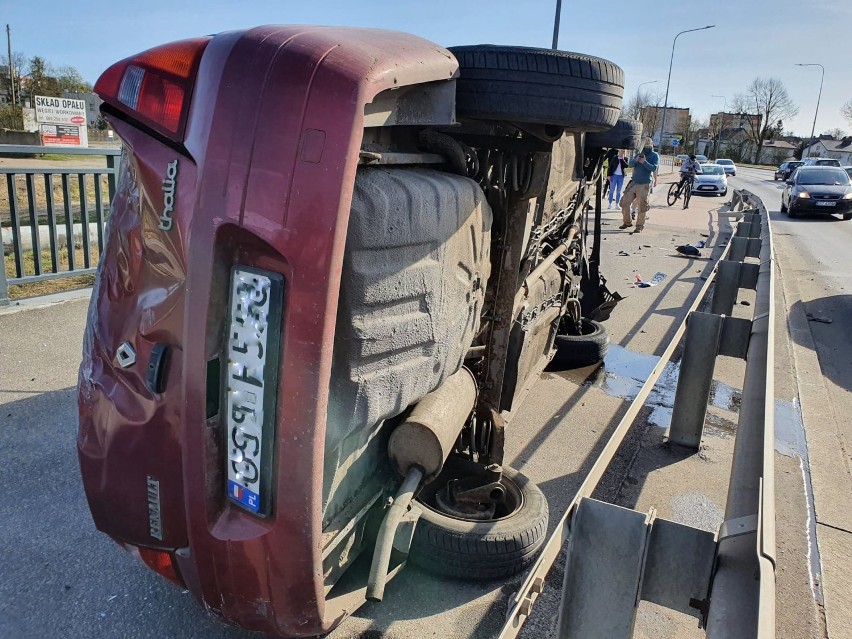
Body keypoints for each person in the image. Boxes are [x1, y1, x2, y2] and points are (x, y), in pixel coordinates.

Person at [619, 137, 659, 233]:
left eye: (648, 145)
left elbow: (654, 168)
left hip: (644, 183)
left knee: (642, 206)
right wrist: (636, 160)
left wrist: (644, 162)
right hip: (634, 182)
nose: (646, 147)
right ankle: (627, 222)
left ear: (651, 145)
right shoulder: (639, 153)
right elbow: (630, 165)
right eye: (644, 145)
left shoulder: (654, 155)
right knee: (624, 202)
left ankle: (639, 226)